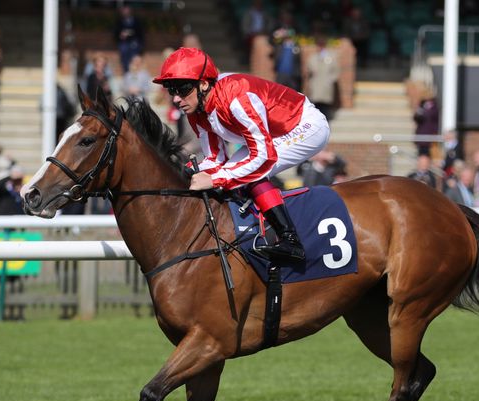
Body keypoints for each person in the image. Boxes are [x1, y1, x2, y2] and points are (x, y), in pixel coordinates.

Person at [152, 47, 331, 262]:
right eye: (171, 90)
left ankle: (290, 240)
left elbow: (263, 158)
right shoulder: (196, 109)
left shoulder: (235, 97)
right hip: (271, 135)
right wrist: (185, 172)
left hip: (304, 126)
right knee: (232, 173)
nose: (176, 99)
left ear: (203, 84)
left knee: (250, 172)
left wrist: (215, 178)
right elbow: (215, 159)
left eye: (182, 89)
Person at [305, 35, 340, 121]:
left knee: (325, 109)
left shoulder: (331, 57)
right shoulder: (313, 57)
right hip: (316, 85)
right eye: (318, 45)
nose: (320, 47)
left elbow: (336, 71)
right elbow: (310, 68)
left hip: (326, 85)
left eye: (322, 45)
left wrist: (330, 80)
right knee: (316, 108)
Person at [113, 5, 143, 74]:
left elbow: (140, 33)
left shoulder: (136, 21)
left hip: (134, 42)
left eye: (127, 11)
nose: (126, 12)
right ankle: (127, 73)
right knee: (124, 57)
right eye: (124, 11)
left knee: (135, 58)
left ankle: (135, 73)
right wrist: (121, 35)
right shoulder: (119, 21)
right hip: (124, 43)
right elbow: (115, 34)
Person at [412, 85, 439, 158]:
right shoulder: (422, 104)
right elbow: (416, 118)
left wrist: (424, 113)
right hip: (421, 133)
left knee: (428, 154)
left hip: (429, 134)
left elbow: (432, 116)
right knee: (421, 153)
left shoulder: (434, 104)